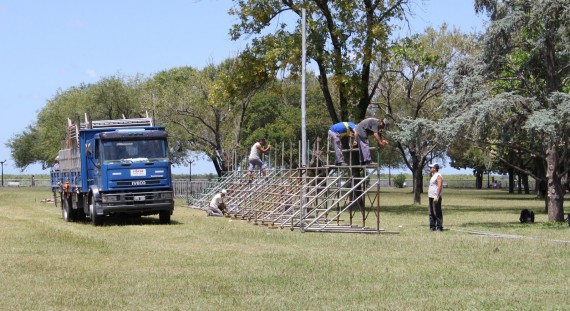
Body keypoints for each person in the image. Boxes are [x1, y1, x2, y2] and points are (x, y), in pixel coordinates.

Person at [428, 163, 444, 231]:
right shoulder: (433, 176)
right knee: (431, 212)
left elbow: (439, 186)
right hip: (431, 196)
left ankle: (439, 227)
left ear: (434, 168)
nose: (430, 168)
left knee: (437, 212)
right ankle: (432, 227)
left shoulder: (438, 176)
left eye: (431, 167)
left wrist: (437, 196)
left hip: (436, 197)